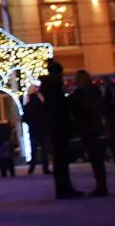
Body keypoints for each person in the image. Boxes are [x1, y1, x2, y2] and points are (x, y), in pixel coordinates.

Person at [40, 61, 83, 199]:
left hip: (56, 128)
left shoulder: (50, 89)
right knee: (61, 159)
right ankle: (64, 188)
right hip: (58, 128)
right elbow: (59, 109)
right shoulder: (54, 89)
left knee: (60, 160)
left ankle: (63, 188)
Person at [70, 70, 112, 197]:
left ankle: (101, 186)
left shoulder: (81, 94)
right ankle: (101, 185)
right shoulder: (94, 92)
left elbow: (80, 110)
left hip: (88, 128)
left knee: (95, 158)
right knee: (97, 158)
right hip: (94, 128)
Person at [21, 87, 49, 175]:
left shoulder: (27, 107)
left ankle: (32, 167)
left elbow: (24, 119)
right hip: (42, 130)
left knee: (34, 151)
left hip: (33, 130)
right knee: (44, 150)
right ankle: (45, 168)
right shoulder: (42, 106)